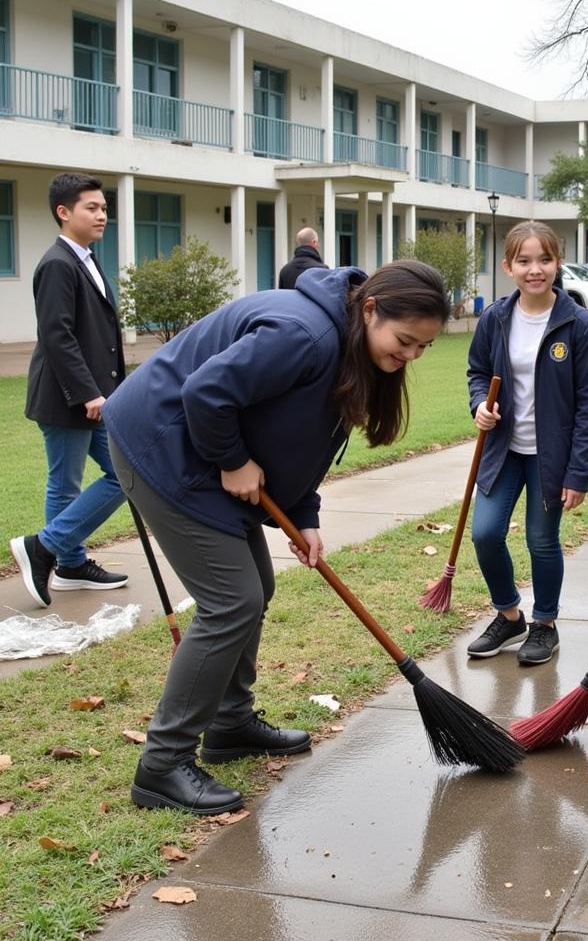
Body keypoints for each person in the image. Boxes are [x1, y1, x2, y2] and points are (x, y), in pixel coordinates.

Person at [102, 260, 449, 815]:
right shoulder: (303, 335)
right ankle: (162, 764)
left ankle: (230, 724)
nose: (409, 356)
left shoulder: (344, 343)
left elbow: (301, 434)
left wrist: (304, 512)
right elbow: (205, 394)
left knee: (254, 589)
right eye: (405, 340)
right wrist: (234, 460)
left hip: (199, 450)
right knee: (231, 600)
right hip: (162, 446)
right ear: (369, 309)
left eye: (423, 348)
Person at [466, 220, 588, 666]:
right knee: (485, 533)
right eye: (524, 261)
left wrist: (578, 471)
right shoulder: (495, 318)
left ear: (557, 262)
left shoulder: (577, 324)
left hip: (551, 457)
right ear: (508, 266)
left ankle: (544, 625)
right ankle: (509, 616)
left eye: (544, 259)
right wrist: (478, 407)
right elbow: (476, 373)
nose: (535, 269)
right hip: (503, 450)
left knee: (541, 541)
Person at [10, 172, 129, 609]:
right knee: (68, 484)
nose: (102, 215)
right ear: (64, 212)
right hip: (67, 398)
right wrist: (88, 393)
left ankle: (62, 556)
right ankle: (56, 554)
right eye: (92, 208)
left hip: (94, 396)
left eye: (103, 207)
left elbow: (99, 333)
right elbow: (57, 335)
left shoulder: (86, 259)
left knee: (122, 472)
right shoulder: (58, 263)